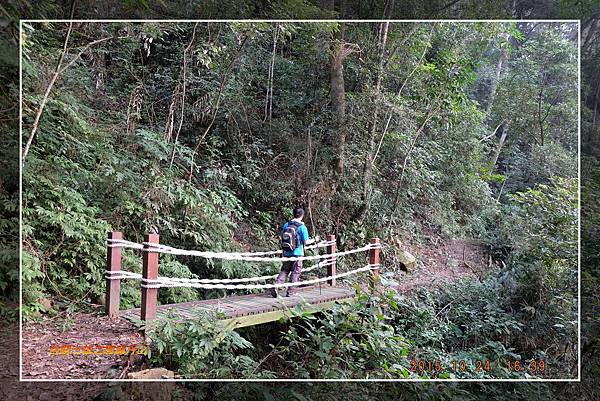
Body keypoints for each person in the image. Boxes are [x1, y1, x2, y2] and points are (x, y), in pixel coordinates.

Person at [271, 207, 314, 297]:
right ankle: (290, 292)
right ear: (302, 216)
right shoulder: (302, 227)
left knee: (285, 270)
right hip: (297, 253)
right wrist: (314, 240)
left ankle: (276, 285)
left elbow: (283, 238)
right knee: (295, 272)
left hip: (287, 252)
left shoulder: (287, 225)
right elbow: (306, 242)